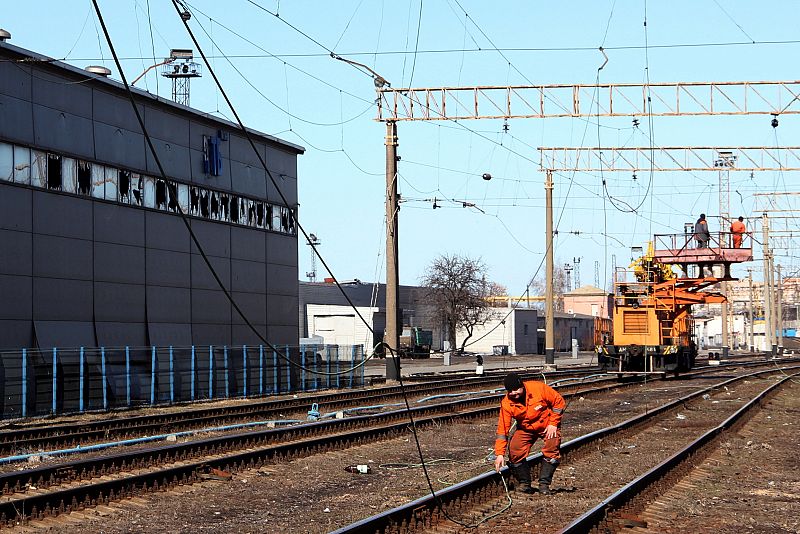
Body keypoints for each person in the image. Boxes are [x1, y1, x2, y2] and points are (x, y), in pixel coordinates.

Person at [493, 373, 565, 495]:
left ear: (522, 386)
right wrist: (499, 454)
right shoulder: (506, 403)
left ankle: (544, 485)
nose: (514, 393)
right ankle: (524, 484)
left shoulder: (538, 388)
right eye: (510, 391)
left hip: (547, 425)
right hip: (526, 428)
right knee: (515, 450)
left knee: (552, 448)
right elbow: (502, 430)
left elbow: (559, 402)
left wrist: (553, 423)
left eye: (516, 389)